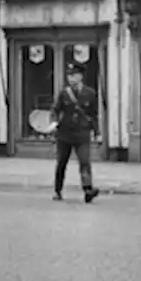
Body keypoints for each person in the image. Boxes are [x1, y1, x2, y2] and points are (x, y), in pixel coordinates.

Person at [51, 63, 101, 203]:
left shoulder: (90, 93)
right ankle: (58, 190)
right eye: (69, 75)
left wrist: (97, 132)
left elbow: (93, 114)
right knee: (61, 162)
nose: (70, 78)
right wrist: (54, 122)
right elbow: (55, 110)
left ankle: (88, 189)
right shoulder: (63, 93)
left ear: (80, 76)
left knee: (85, 162)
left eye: (73, 75)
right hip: (65, 134)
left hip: (82, 133)